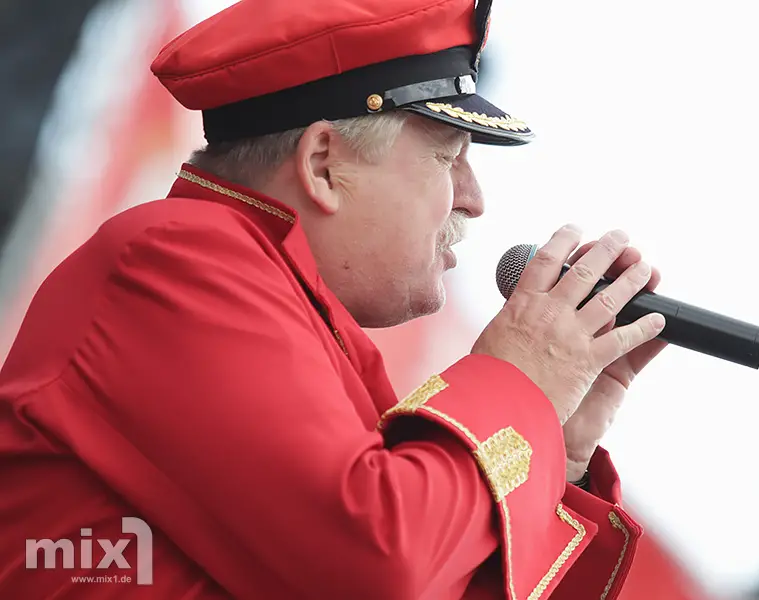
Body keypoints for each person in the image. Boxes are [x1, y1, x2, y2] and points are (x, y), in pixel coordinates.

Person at [0, 0, 669, 598]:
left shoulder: (320, 335)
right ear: (323, 163)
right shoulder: (177, 258)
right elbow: (376, 564)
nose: (473, 199)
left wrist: (554, 447)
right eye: (447, 158)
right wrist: (517, 383)